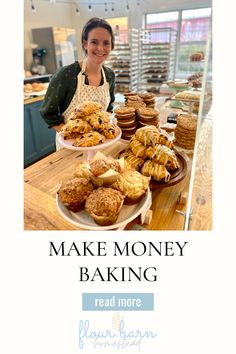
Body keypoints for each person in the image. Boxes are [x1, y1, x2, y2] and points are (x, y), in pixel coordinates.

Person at [40, 17, 115, 147]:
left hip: (100, 144)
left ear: (111, 46)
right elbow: (48, 113)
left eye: (106, 43)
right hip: (71, 146)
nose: (100, 48)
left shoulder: (109, 75)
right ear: (85, 43)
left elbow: (109, 108)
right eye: (94, 42)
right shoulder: (66, 75)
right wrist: (73, 136)